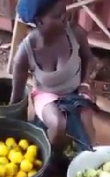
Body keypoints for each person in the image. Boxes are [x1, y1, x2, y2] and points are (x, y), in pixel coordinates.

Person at [10, 0, 100, 150]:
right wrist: (11, 118)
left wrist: (85, 84)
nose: (66, 18)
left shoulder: (75, 33)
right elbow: (17, 94)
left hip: (76, 90)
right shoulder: (26, 51)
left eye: (65, 12)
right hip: (45, 94)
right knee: (58, 124)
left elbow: (89, 59)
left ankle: (89, 154)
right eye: (58, 16)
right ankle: (52, 156)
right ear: (40, 21)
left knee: (87, 124)